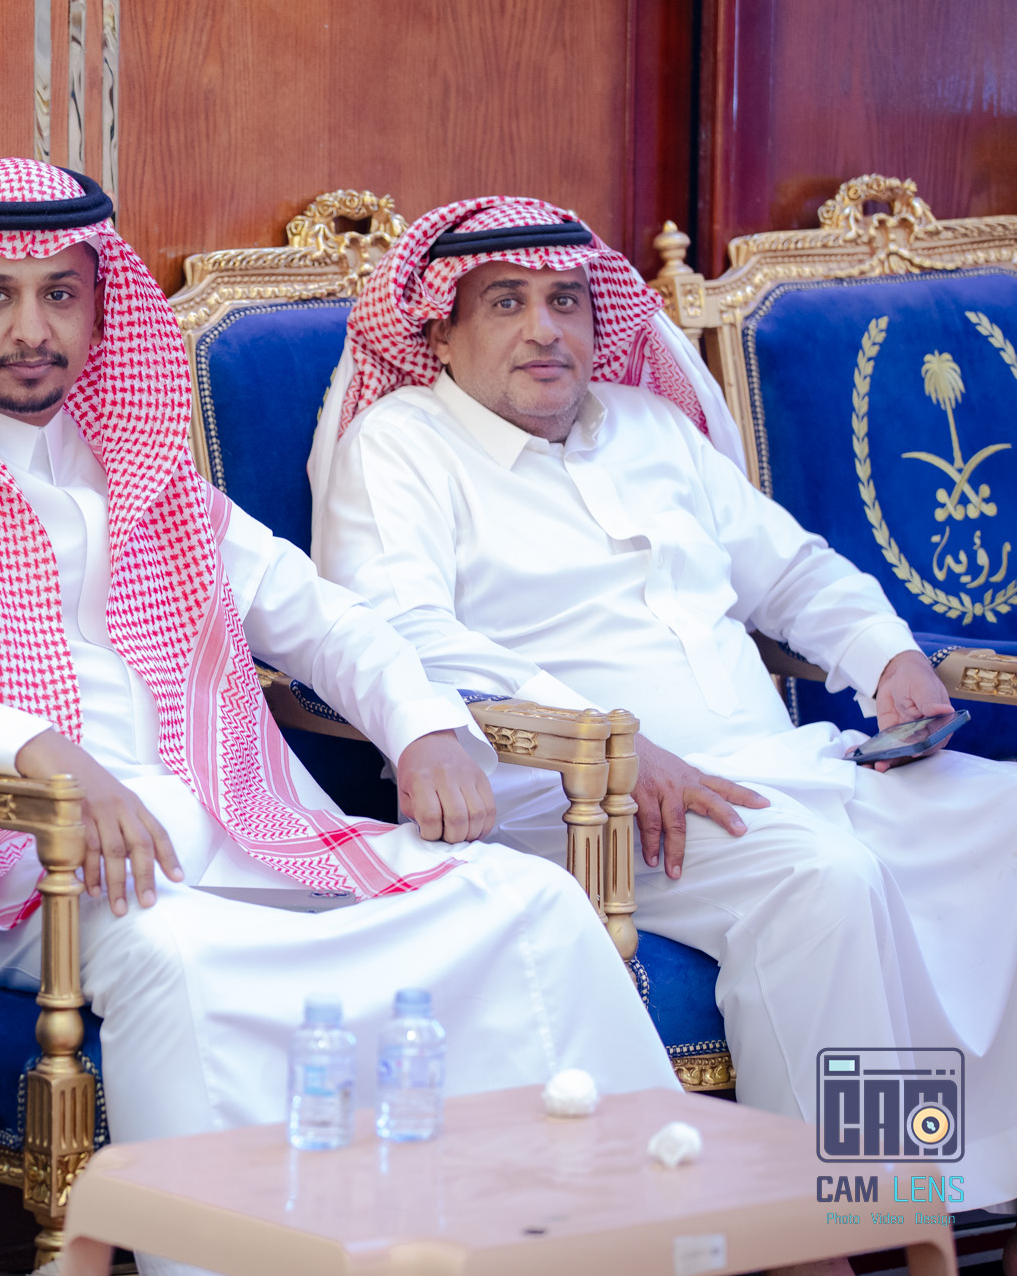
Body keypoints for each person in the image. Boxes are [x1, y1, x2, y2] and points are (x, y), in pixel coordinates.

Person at [0, 159, 678, 1272]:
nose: (32, 328)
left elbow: (318, 616)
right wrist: (43, 755)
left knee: (525, 899)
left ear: (101, 306)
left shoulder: (136, 459)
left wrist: (423, 725)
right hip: (2, 859)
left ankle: (602, 1241)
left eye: (60, 293)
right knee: (179, 955)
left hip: (226, 829)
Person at [310, 195, 1017, 1210]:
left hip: (775, 769)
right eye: (505, 302)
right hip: (572, 801)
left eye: (565, 301)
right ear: (439, 333)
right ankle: (844, 1218)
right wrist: (617, 747)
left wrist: (885, 655)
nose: (543, 328)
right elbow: (401, 633)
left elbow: (789, 571)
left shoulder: (647, 426)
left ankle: (973, 1181)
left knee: (1003, 822)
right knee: (821, 879)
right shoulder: (400, 445)